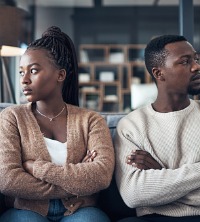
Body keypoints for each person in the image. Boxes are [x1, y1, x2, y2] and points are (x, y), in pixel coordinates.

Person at [0, 26, 114, 222]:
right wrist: (76, 184)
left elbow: (101, 176)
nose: (24, 80)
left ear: (60, 75)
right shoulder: (12, 117)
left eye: (33, 71)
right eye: (21, 72)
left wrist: (36, 168)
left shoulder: (91, 120)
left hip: (80, 211)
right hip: (26, 210)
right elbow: (8, 180)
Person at [114, 34, 200, 222]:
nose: (196, 66)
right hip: (153, 218)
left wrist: (160, 174)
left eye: (196, 59)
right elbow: (133, 195)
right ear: (159, 73)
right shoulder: (131, 126)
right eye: (185, 62)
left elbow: (147, 191)